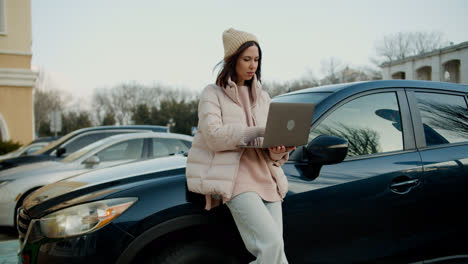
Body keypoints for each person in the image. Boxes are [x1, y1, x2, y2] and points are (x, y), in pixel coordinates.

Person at [186, 28, 295, 264]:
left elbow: (271, 142)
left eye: (256, 60)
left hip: (268, 178)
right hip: (236, 179)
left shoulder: (264, 97)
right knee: (272, 246)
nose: (252, 65)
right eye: (246, 59)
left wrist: (278, 150)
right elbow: (214, 136)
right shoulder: (212, 93)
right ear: (232, 59)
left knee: (275, 253)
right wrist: (259, 134)